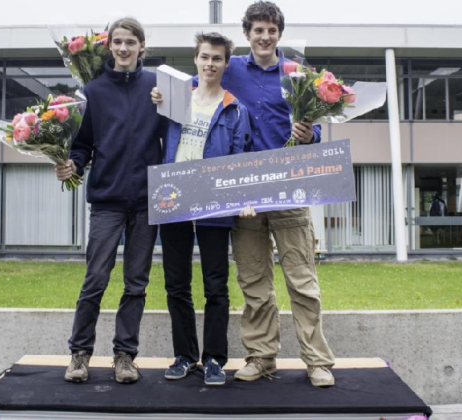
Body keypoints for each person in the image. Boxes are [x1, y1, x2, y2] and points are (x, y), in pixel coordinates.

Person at [152, 0, 336, 387]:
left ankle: (317, 361)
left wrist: (311, 134)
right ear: (248, 34)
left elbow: (316, 127)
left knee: (301, 281)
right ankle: (261, 356)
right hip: (243, 194)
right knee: (254, 283)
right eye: (258, 30)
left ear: (279, 34)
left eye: (271, 30)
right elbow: (199, 84)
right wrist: (162, 96)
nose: (265, 36)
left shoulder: (297, 75)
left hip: (288, 188)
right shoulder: (230, 68)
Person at [56, 17, 166, 385]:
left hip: (148, 201)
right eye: (117, 42)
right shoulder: (94, 90)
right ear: (110, 46)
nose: (123, 48)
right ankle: (79, 353)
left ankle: (125, 356)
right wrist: (73, 165)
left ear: (142, 47)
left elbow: (178, 134)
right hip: (106, 201)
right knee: (95, 279)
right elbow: (82, 143)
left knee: (136, 283)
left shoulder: (157, 87)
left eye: (130, 42)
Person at [161, 32, 252, 386]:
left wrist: (243, 198)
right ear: (195, 60)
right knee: (176, 283)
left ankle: (214, 358)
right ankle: (185, 356)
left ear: (226, 63)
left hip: (214, 199)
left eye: (217, 58)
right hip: (174, 197)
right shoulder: (173, 100)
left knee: (216, 285)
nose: (210, 63)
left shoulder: (235, 108)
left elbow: (241, 157)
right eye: (204, 57)